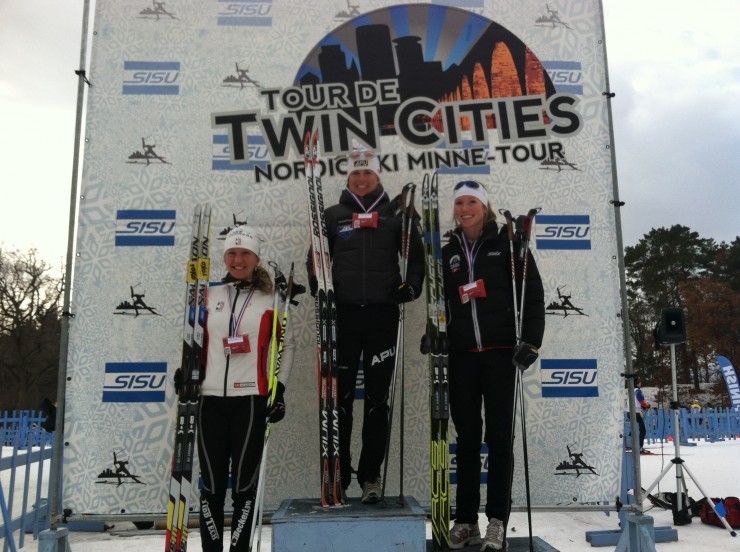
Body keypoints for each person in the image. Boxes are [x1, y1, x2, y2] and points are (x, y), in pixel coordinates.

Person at [308, 149, 424, 503]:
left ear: (377, 178)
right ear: (347, 179)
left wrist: (412, 287)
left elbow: (416, 257)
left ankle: (371, 476)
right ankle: (339, 478)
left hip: (381, 316)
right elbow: (316, 258)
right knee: (339, 400)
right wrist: (319, 290)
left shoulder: (395, 216)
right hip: (342, 317)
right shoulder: (332, 216)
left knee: (376, 401)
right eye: (356, 175)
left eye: (368, 174)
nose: (361, 180)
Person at [441, 180, 545, 551]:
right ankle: (465, 519)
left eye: (472, 202)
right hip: (462, 356)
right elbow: (441, 304)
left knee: (499, 440)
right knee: (467, 440)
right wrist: (435, 334)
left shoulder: (509, 244)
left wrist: (531, 340)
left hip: (502, 353)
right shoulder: (448, 251)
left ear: (485, 206)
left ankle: (497, 521)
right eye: (459, 203)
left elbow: (531, 293)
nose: (465, 208)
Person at [194, 226, 294, 552]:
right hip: (209, 399)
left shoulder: (272, 299)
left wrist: (278, 391)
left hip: (251, 399)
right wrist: (187, 372)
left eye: (245, 254)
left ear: (256, 258)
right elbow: (194, 343)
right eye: (232, 254)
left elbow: (285, 346)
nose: (239, 260)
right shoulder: (208, 296)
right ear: (225, 258)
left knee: (243, 487)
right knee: (210, 485)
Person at [634, 378, 650, 453]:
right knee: (642, 430)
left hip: (629, 412)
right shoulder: (638, 391)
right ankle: (639, 447)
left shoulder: (631, 390)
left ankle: (630, 445)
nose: (641, 384)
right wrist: (646, 405)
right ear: (637, 383)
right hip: (636, 412)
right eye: (640, 382)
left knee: (633, 430)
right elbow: (641, 400)